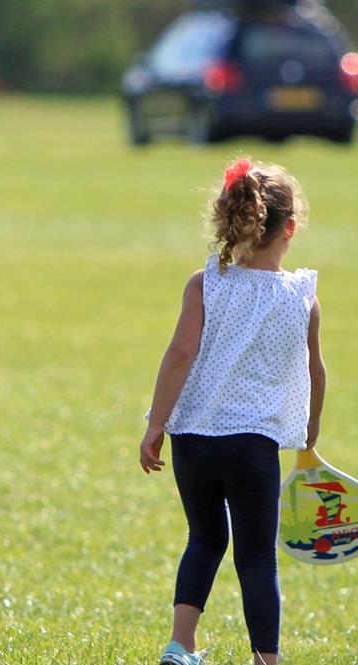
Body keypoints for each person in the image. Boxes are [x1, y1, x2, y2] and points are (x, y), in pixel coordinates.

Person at [138, 157, 325, 665]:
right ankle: (267, 660)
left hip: (193, 440)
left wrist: (157, 422)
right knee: (257, 558)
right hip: (253, 447)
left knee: (203, 537)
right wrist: (309, 435)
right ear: (290, 228)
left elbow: (179, 354)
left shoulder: (206, 283)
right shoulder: (301, 297)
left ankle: (182, 644)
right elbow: (316, 372)